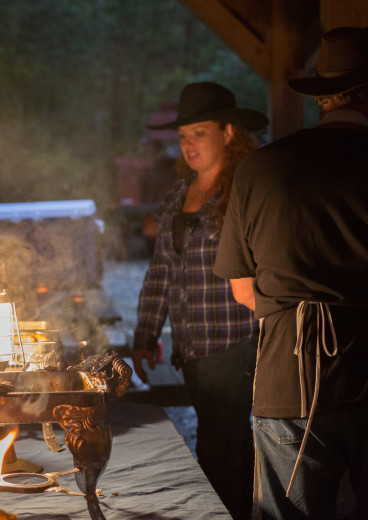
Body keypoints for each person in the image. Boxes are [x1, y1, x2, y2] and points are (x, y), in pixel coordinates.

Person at [214, 26, 368, 520]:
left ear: (324, 97)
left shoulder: (261, 168)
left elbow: (242, 289)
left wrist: (294, 306)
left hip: (292, 379)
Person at [132, 82, 267, 519]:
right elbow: (162, 270)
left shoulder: (248, 189)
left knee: (218, 439)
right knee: (224, 439)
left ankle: (222, 513)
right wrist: (145, 333)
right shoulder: (177, 195)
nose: (188, 144)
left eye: (200, 133)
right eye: (183, 135)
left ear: (229, 132)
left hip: (235, 339)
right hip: (191, 346)